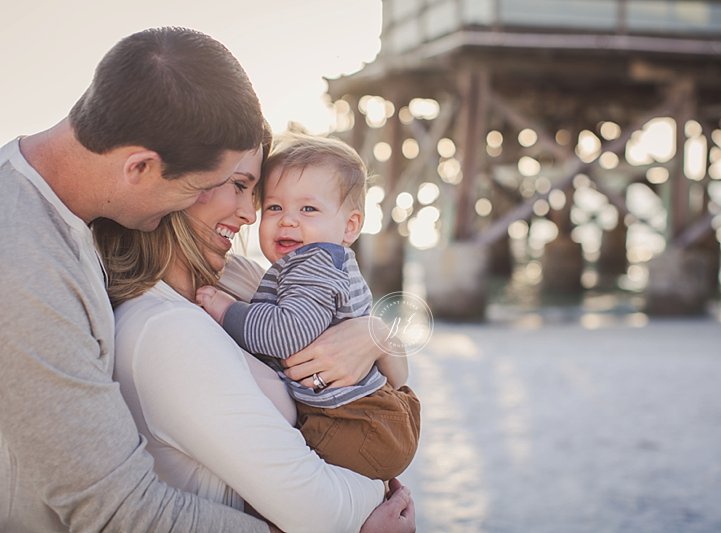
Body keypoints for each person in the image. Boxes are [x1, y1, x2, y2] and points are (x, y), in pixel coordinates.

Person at [0, 26, 412, 532]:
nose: (249, 213)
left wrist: (374, 334)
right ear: (143, 168)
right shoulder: (25, 263)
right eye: (228, 185)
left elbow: (362, 333)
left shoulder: (219, 275)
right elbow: (114, 510)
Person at [93, 136, 416, 532]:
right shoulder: (167, 329)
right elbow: (321, 515)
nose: (252, 213)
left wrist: (373, 333)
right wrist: (385, 498)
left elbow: (396, 375)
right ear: (181, 184)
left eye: (255, 192)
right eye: (239, 186)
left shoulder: (237, 276)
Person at [196, 132, 421, 482]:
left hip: (352, 420)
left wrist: (228, 312)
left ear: (350, 227)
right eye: (274, 207)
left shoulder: (312, 264)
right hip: (375, 414)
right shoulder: (316, 263)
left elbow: (285, 333)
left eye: (308, 209)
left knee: (281, 482)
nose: (287, 220)